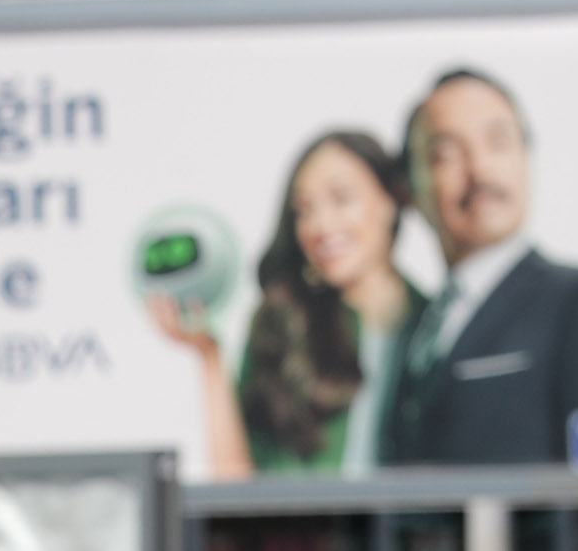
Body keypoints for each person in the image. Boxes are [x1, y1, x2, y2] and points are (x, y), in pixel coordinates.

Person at [379, 67, 578, 466]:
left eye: (499, 142)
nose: (480, 170)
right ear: (409, 190)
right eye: (446, 154)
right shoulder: (409, 327)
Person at [158, 131, 425, 480]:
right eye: (304, 210)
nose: (321, 225)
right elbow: (237, 488)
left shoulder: (438, 325)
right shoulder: (283, 323)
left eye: (341, 198)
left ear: (391, 200)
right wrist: (210, 358)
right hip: (307, 533)